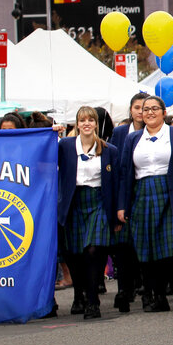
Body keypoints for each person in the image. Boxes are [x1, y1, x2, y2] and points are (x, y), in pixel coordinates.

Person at [118, 95, 173, 312]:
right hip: (143, 194)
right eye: (145, 109)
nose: (149, 112)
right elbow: (125, 173)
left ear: (163, 111)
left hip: (171, 193)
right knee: (148, 248)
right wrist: (122, 205)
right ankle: (157, 295)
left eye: (154, 109)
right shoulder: (133, 139)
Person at [57, 106, 120, 320]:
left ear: (96, 124)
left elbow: (116, 182)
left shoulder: (108, 149)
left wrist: (118, 210)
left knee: (93, 250)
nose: (86, 124)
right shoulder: (65, 146)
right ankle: (79, 295)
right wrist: (51, 132)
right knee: (74, 253)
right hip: (73, 201)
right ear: (77, 123)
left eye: (90, 120)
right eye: (82, 120)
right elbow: (44, 155)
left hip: (98, 201)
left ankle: (93, 301)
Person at [108, 92, 148, 311]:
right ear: (131, 110)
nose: (141, 112)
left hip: (145, 195)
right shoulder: (120, 132)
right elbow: (116, 168)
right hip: (125, 194)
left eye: (145, 107)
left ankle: (144, 286)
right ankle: (124, 289)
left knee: (143, 245)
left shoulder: (155, 132)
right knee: (123, 247)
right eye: (137, 107)